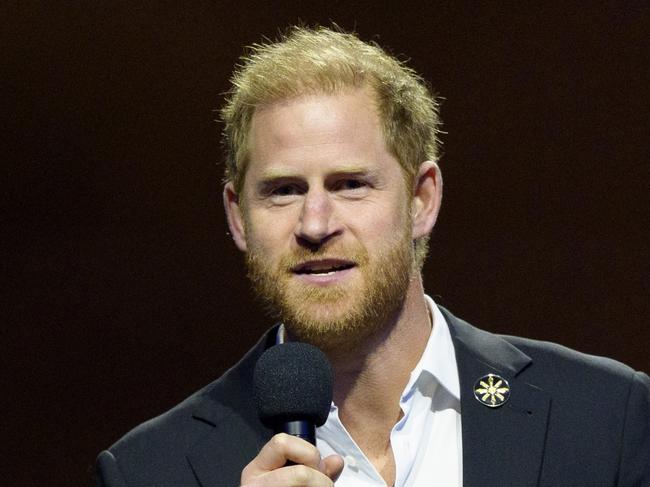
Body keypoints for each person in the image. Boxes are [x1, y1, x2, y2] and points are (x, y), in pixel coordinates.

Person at [95, 27, 650, 487]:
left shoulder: (606, 418)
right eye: (283, 190)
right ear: (238, 216)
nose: (315, 224)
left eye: (351, 184)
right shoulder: (148, 472)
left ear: (421, 199)